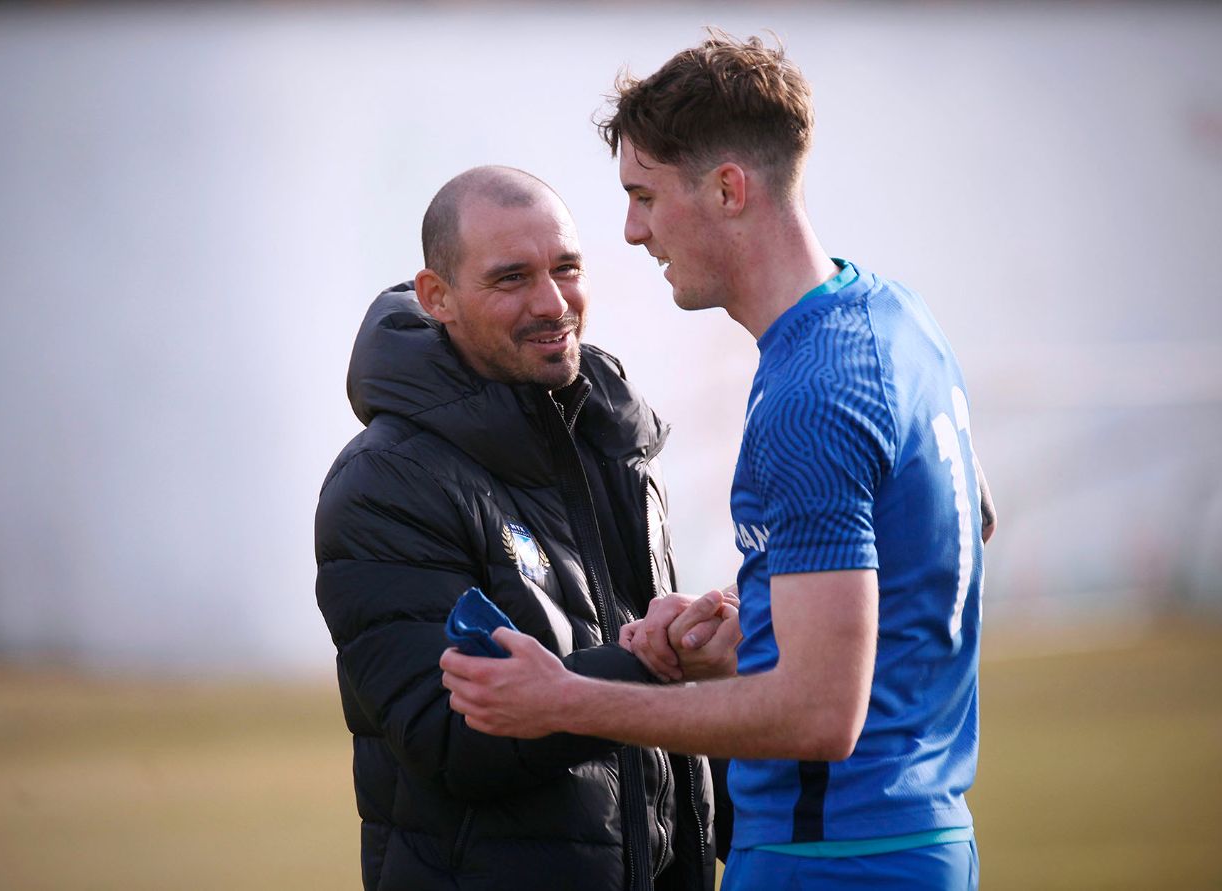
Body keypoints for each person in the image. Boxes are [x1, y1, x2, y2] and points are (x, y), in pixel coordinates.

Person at [440, 33, 996, 890]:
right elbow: (958, 519)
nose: (633, 231)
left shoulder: (814, 390)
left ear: (728, 189)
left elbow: (819, 713)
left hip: (833, 860)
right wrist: (765, 614)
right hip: (920, 836)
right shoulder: (896, 317)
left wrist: (564, 698)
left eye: (645, 196)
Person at [313, 165, 717, 891]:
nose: (552, 302)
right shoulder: (386, 482)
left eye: (566, 268)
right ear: (437, 297)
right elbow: (450, 734)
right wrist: (660, 663)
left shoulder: (612, 440)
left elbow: (668, 738)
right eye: (511, 278)